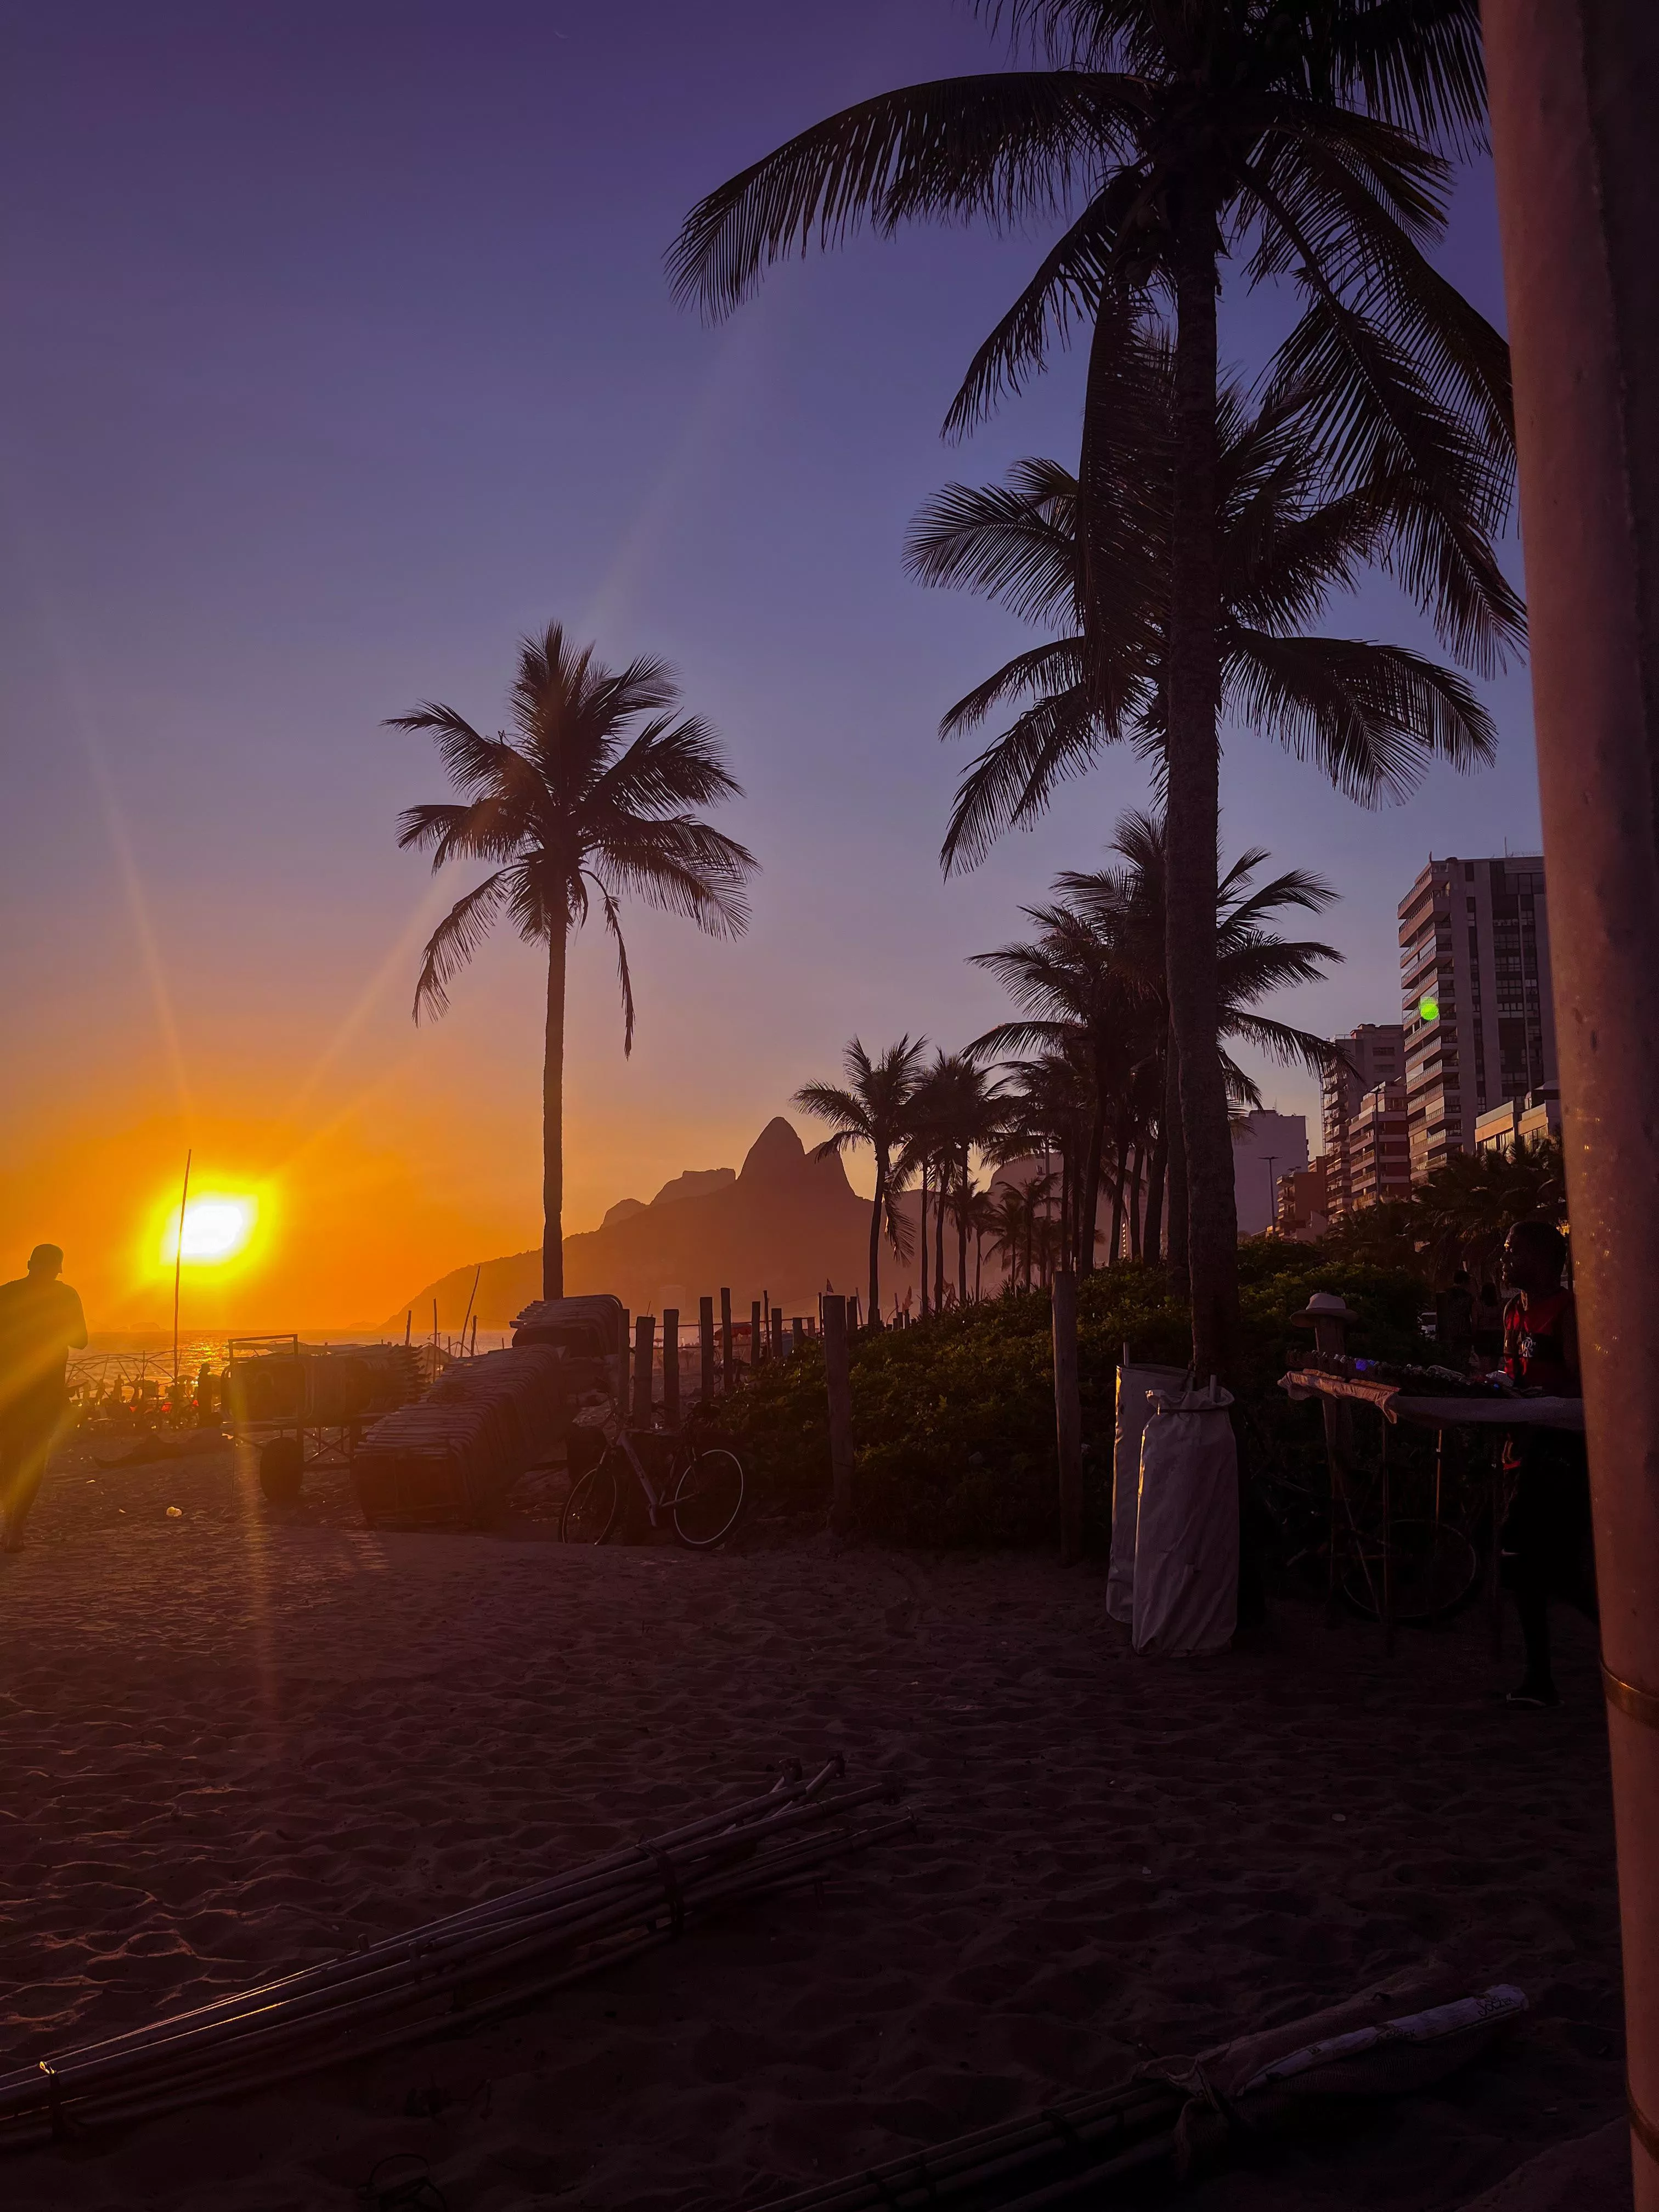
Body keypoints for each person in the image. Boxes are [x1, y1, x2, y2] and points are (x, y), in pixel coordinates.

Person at [1494, 1218, 1592, 1708]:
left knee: (1537, 1560)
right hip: (1522, 1447)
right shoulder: (1513, 1311)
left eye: (1513, 1251)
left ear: (1542, 1259)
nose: (1505, 1259)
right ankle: (1539, 1678)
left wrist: (1542, 1401)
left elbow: (1582, 1381)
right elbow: (1511, 1370)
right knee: (1537, 1568)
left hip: (1559, 1451)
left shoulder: (1568, 1312)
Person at [0, 1245, 88, 1553]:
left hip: (10, 1389)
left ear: (29, 1264)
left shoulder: (6, 1293)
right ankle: (15, 1530)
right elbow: (81, 1340)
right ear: (57, 1270)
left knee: (9, 1458)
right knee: (34, 1459)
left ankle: (9, 1524)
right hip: (44, 1392)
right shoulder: (66, 1295)